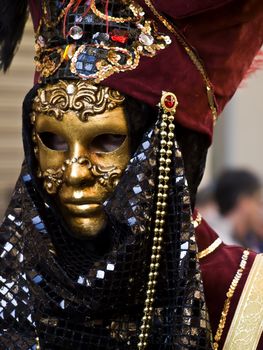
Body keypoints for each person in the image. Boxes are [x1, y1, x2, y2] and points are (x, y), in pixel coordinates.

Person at [0, 1, 263, 349]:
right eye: (53, 141)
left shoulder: (246, 302)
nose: (75, 173)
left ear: (168, 152)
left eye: (106, 141)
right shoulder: (12, 292)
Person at [213, 169, 263, 251]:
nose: (260, 211)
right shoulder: (222, 247)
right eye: (258, 202)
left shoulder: (244, 242)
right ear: (244, 202)